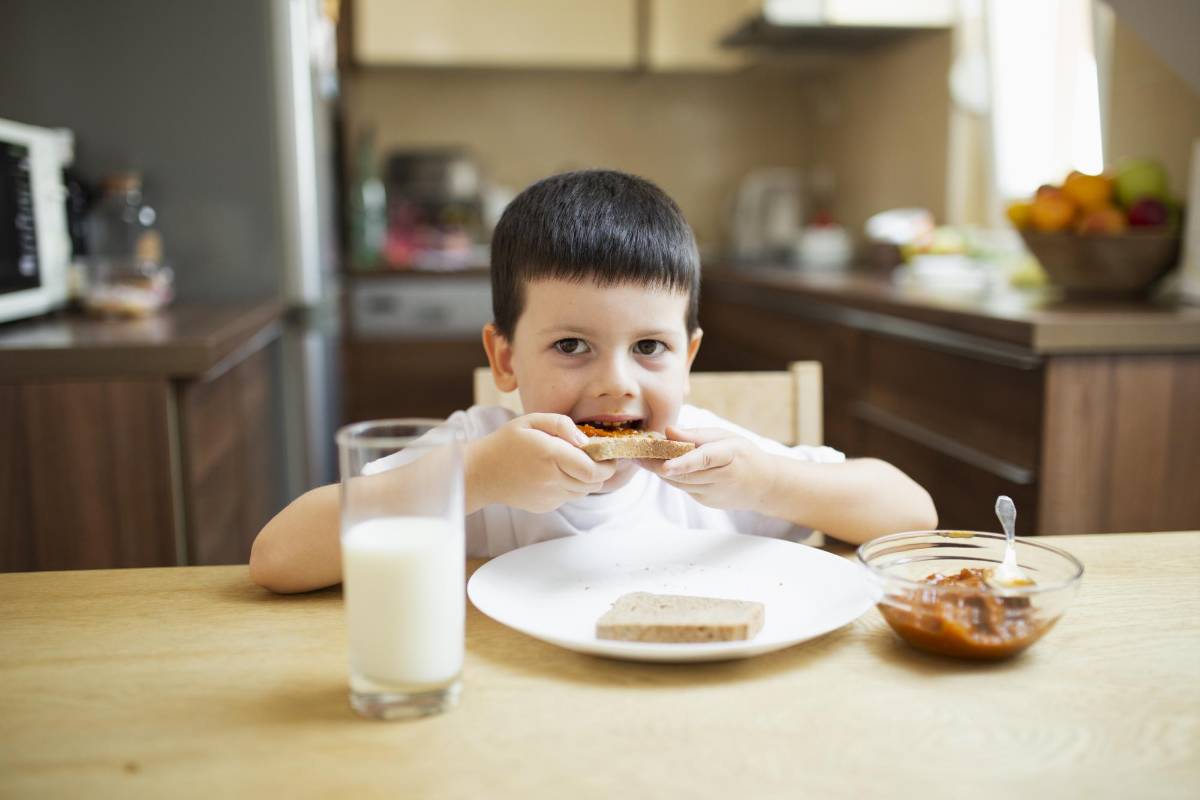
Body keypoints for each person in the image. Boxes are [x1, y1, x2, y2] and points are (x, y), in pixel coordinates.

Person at [250, 170, 936, 593]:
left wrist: (768, 483)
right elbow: (278, 557)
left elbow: (911, 514)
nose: (616, 385)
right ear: (507, 359)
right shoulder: (483, 453)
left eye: (650, 347)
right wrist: (477, 477)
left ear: (689, 358)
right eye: (572, 345)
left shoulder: (716, 464)